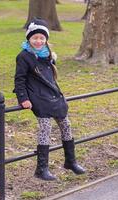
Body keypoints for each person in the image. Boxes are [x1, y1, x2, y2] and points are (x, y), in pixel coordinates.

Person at [13, 17, 85, 181]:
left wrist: (52, 59)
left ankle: (70, 161)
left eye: (41, 38)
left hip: (53, 96)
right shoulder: (24, 56)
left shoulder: (48, 55)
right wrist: (23, 98)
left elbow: (51, 76)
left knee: (66, 124)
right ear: (29, 38)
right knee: (45, 128)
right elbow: (19, 79)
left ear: (46, 39)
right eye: (34, 38)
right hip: (38, 98)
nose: (38, 41)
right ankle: (41, 168)